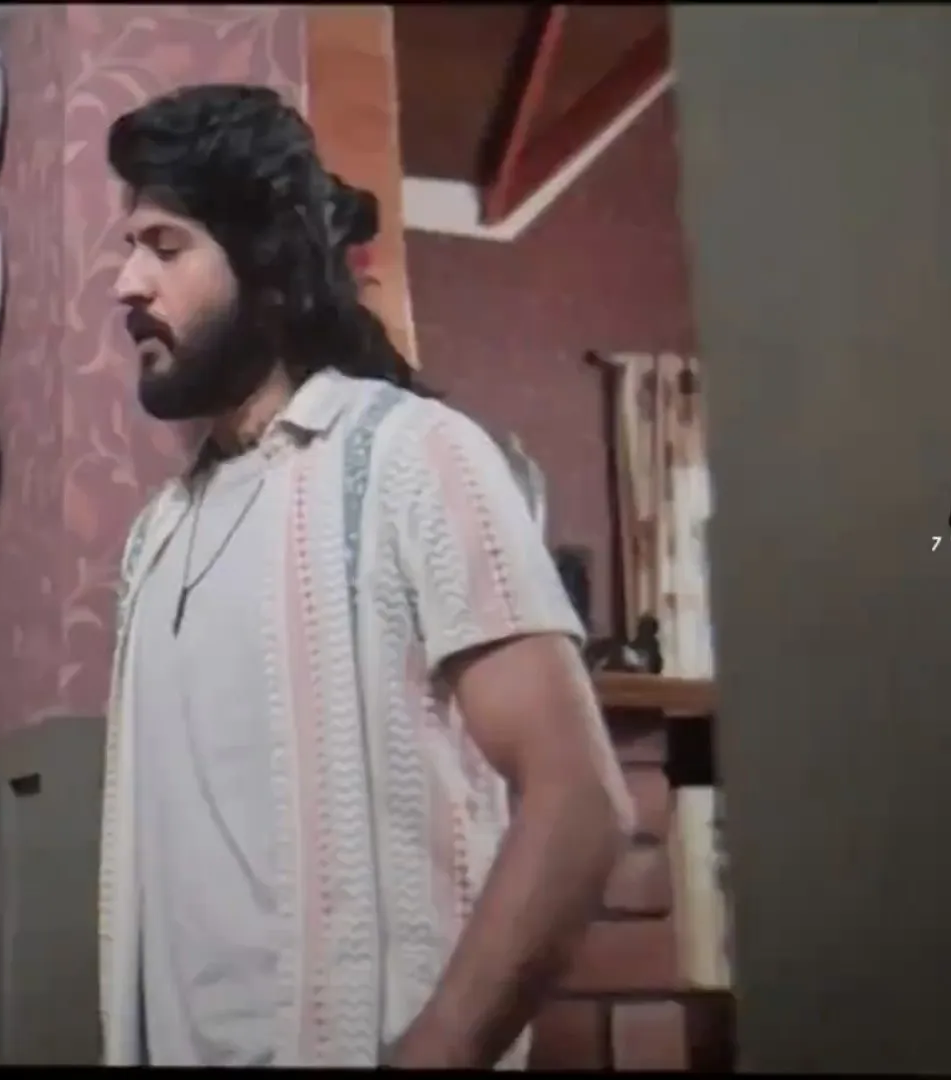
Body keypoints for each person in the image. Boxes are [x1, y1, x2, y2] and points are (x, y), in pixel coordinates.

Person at [95, 83, 637, 1069]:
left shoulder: (411, 459)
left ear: (266, 269)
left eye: (165, 247)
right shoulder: (156, 539)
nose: (127, 283)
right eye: (128, 247)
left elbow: (579, 803)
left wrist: (433, 1052)